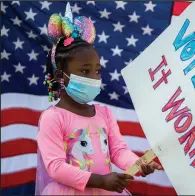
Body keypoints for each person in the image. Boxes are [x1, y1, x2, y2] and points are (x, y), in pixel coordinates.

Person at [35, 3, 162, 195]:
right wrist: (99, 181)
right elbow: (55, 167)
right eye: (85, 71)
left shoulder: (105, 114)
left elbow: (118, 151)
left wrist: (138, 164)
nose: (94, 78)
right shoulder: (53, 118)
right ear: (61, 76)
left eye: (97, 71)